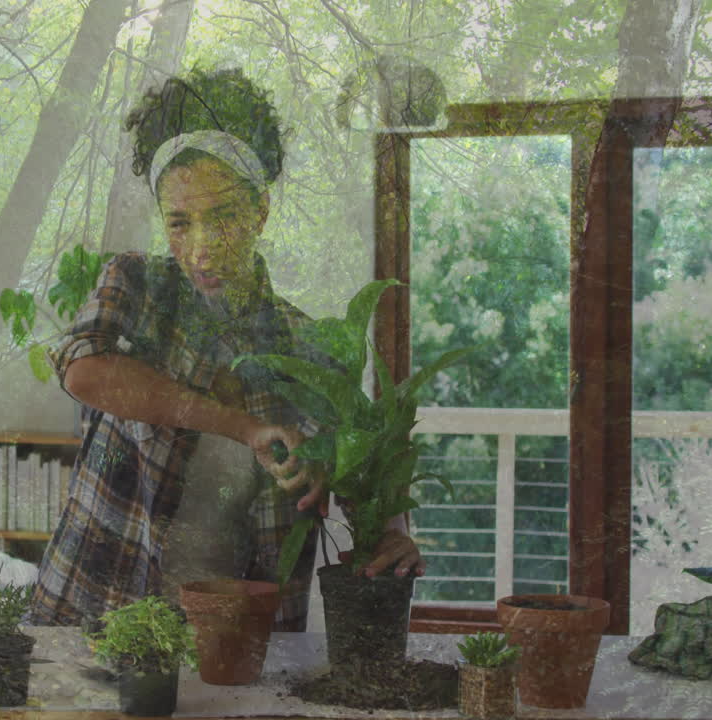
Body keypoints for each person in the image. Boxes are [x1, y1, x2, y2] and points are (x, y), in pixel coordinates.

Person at [27, 67, 423, 632]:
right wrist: (244, 427)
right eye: (180, 223)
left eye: (223, 217)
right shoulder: (139, 288)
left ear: (260, 210)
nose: (201, 249)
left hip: (241, 641)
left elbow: (367, 492)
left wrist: (393, 535)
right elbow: (84, 371)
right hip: (97, 617)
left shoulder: (309, 352)